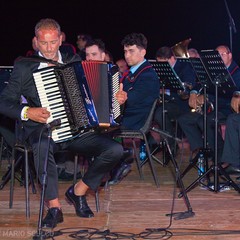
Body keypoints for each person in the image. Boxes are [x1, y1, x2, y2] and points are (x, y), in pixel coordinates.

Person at [0, 18, 124, 228]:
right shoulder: (24, 67)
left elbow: (92, 98)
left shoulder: (73, 60)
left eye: (53, 42)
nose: (48, 48)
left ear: (60, 39)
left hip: (75, 131)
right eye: (43, 43)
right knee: (42, 146)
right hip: (43, 131)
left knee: (115, 150)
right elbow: (3, 102)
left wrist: (116, 98)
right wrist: (28, 111)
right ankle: (54, 207)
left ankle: (78, 192)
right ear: (36, 42)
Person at [108, 32, 160, 185]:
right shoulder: (132, 72)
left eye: (131, 51)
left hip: (136, 119)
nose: (127, 55)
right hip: (128, 115)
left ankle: (119, 158)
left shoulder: (147, 74)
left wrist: (121, 98)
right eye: (125, 51)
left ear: (143, 52)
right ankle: (118, 157)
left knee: (102, 127)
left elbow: (133, 100)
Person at [178, 45, 240, 165]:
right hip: (213, 107)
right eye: (218, 55)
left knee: (205, 121)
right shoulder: (214, 70)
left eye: (223, 55)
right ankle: (202, 149)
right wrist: (194, 93)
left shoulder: (236, 71)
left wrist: (207, 98)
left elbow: (235, 91)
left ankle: (219, 153)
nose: (220, 58)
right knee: (184, 119)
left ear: (230, 55)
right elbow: (200, 83)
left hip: (228, 109)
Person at [153, 46, 197, 153]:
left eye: (164, 63)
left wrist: (166, 91)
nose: (162, 66)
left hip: (180, 104)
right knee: (149, 110)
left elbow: (190, 85)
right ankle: (151, 142)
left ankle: (171, 145)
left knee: (160, 113)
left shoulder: (185, 67)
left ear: (172, 58)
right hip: (167, 101)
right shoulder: (162, 68)